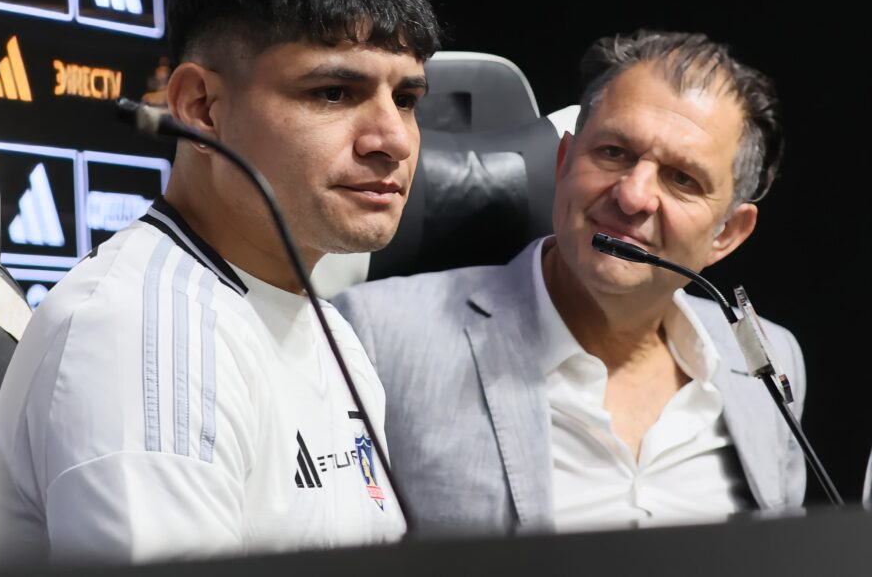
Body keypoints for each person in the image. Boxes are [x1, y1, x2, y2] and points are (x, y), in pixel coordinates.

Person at [0, 0, 440, 565]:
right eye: (334, 92)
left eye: (406, 99)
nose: (393, 139)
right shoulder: (145, 338)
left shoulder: (329, 330)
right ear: (201, 108)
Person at [335, 30, 804, 535]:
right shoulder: (375, 336)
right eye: (613, 153)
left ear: (727, 234)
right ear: (563, 163)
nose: (633, 196)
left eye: (682, 180)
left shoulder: (770, 359)